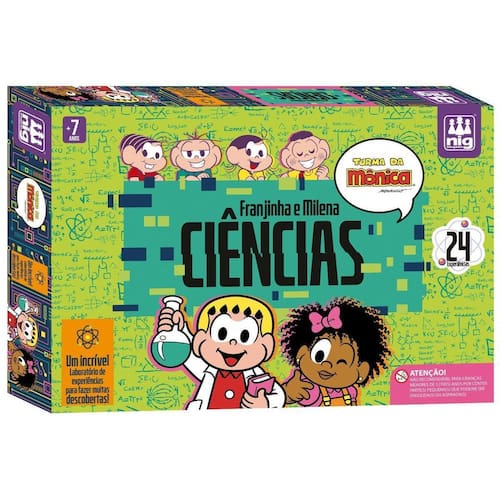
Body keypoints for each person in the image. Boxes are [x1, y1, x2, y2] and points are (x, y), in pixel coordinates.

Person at [280, 297, 391, 406]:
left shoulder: (351, 391)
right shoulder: (311, 389)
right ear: (302, 353)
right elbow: (288, 396)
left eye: (341, 362)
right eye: (319, 356)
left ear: (362, 370)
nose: (327, 364)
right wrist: (288, 393)